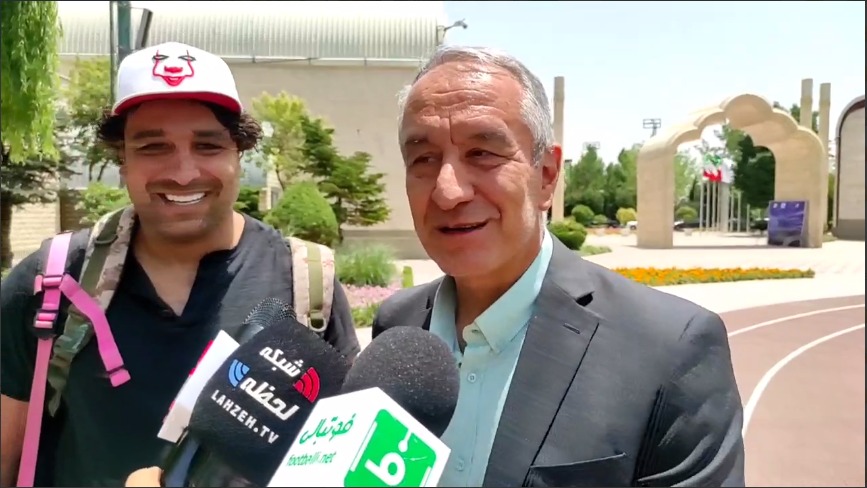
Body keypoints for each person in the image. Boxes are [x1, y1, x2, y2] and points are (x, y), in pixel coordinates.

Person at [373, 45, 745, 487]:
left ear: (546, 175)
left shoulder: (671, 349)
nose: (448, 191)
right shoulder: (396, 329)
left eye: (482, 153)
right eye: (424, 159)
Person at [0, 42, 360, 487]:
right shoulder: (52, 283)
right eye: (154, 147)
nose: (184, 173)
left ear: (239, 153)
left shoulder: (308, 285)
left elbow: (339, 461)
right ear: (122, 159)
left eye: (208, 145)